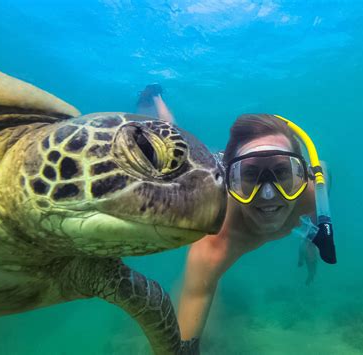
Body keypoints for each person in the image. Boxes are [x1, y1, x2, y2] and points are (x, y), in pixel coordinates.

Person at [136, 86, 334, 345]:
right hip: (209, 175)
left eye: (282, 173)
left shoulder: (312, 192)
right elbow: (185, 334)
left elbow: (325, 178)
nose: (267, 195)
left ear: (303, 174)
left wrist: (310, 240)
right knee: (176, 154)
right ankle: (159, 104)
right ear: (231, 183)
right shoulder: (215, 243)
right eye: (250, 175)